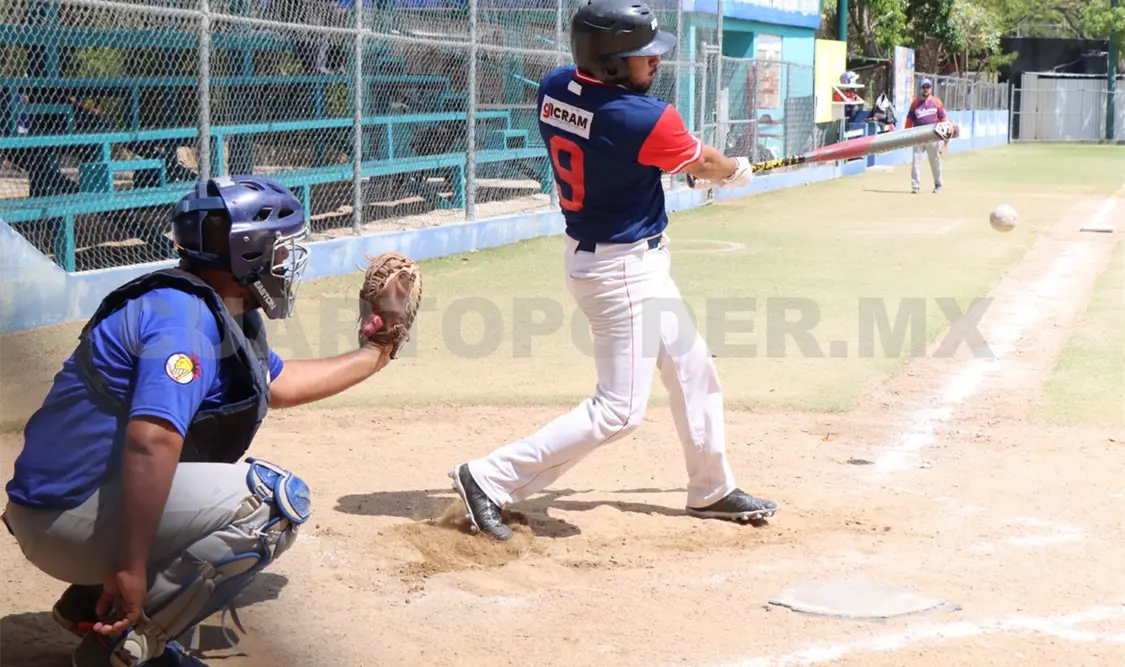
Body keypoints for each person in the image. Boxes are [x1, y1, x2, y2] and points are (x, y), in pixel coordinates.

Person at [2, 175, 401, 667]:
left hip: (70, 503)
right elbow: (150, 443)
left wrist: (376, 353)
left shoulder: (211, 301)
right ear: (247, 252)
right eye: (281, 247)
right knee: (269, 502)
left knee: (203, 465)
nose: (288, 259)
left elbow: (276, 384)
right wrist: (129, 567)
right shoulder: (183, 321)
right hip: (61, 518)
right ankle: (123, 645)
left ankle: (88, 603)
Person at [446, 0, 778, 542]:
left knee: (693, 368)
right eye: (642, 55)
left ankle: (711, 488)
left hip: (615, 257)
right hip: (621, 270)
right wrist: (733, 171)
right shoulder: (644, 118)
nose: (655, 63)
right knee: (620, 411)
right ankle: (489, 477)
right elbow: (703, 162)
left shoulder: (555, 86)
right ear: (611, 62)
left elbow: (625, 155)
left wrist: (689, 170)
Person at [905, 78, 948, 193]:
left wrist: (944, 137)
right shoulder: (915, 103)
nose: (926, 89)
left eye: (928, 87)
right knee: (916, 161)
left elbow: (943, 118)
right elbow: (909, 120)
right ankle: (915, 186)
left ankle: (938, 185)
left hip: (933, 135)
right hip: (918, 135)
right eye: (924, 87)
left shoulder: (936, 102)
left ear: (931, 88)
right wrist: (906, 134)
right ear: (921, 89)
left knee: (935, 161)